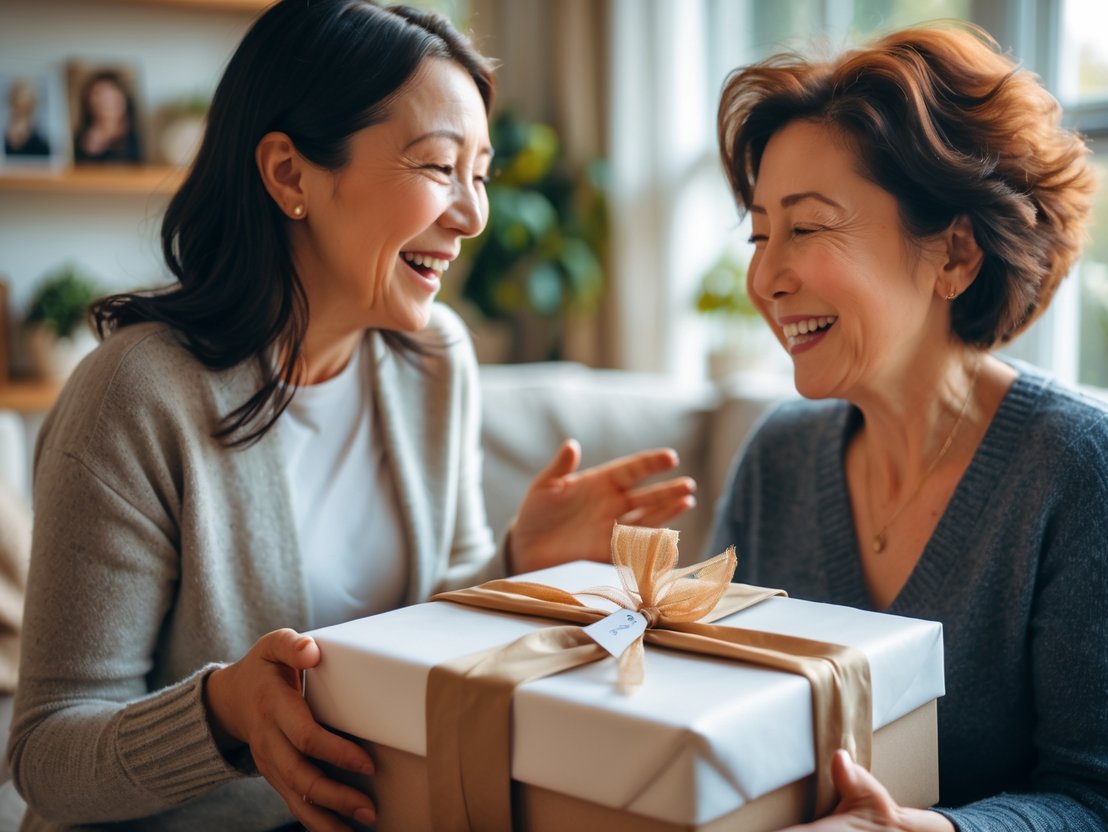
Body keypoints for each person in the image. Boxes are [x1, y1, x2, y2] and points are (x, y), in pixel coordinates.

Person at [7, 1, 695, 830]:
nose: (471, 215)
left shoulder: (435, 356)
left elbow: (423, 631)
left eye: (480, 174)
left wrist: (515, 560)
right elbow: (48, 756)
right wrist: (224, 713)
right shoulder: (136, 394)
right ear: (289, 174)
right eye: (439, 167)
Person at [709, 23, 1108, 832]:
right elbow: (715, 714)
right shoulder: (777, 457)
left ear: (955, 255)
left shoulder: (1083, 468)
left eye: (808, 226)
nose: (764, 277)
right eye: (759, 234)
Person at [72, 69, 140, 164]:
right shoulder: (75, 139)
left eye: (111, 97)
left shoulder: (138, 138)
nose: (106, 103)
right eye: (98, 95)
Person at [4, 79, 51, 158]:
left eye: (26, 108)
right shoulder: (3, 139)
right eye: (18, 107)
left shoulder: (41, 142)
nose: (21, 112)